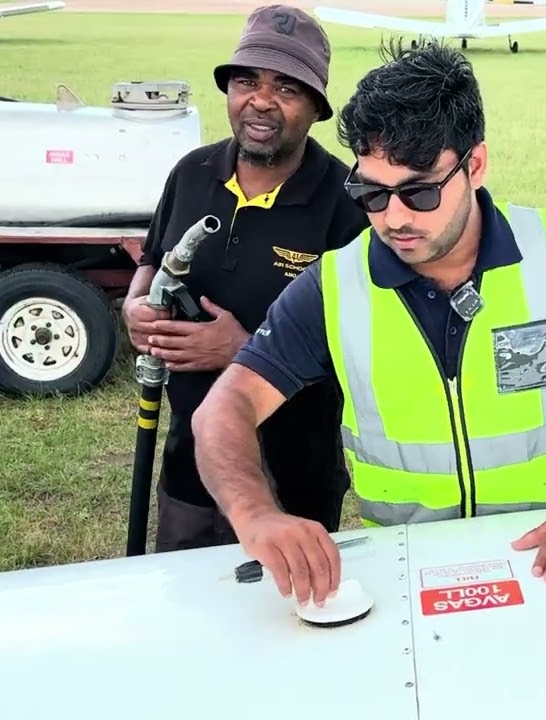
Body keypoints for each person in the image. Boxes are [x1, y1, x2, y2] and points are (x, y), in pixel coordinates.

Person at [191, 39, 546, 605]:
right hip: (410, 575)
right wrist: (256, 514)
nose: (395, 218)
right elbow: (224, 409)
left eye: (419, 191)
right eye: (371, 193)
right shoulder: (334, 285)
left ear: (474, 165)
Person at [122, 5, 370, 553]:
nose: (261, 100)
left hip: (296, 476)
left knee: (288, 595)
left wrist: (243, 351)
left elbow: (367, 349)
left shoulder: (347, 204)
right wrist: (135, 307)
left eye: (286, 87)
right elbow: (153, 260)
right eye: (246, 81)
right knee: (185, 591)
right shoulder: (191, 174)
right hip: (190, 465)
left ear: (316, 107)